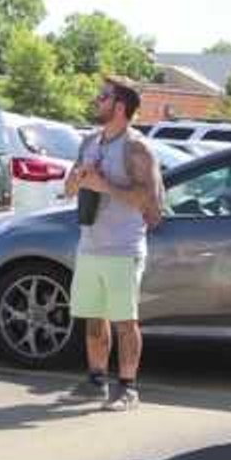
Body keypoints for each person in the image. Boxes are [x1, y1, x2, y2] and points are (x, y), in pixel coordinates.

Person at [63, 76, 165, 411]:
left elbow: (150, 200)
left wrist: (105, 186)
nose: (97, 100)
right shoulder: (90, 141)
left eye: (103, 96)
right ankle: (95, 380)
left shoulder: (137, 148)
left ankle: (127, 388)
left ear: (120, 106)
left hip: (123, 248)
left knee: (125, 320)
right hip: (90, 244)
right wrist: (77, 180)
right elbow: (69, 189)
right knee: (93, 317)